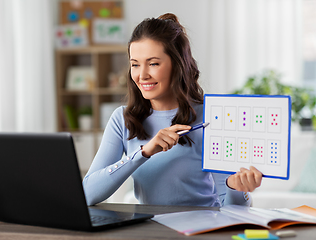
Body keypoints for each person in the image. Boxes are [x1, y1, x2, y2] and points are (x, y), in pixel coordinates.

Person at [83, 13, 263, 207]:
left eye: (153, 64)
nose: (142, 75)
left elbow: (232, 208)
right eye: (135, 64)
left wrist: (236, 188)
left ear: (177, 66)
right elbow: (87, 193)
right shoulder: (122, 119)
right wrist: (144, 153)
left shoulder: (210, 117)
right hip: (151, 231)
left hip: (202, 230)